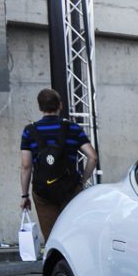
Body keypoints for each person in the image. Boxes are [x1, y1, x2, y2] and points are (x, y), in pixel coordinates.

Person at [20, 88, 97, 244]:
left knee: (52, 237)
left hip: (43, 191)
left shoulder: (29, 131)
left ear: (40, 107)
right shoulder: (73, 128)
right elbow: (93, 157)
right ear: (60, 105)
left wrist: (24, 196)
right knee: (73, 235)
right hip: (70, 188)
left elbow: (26, 166)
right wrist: (82, 182)